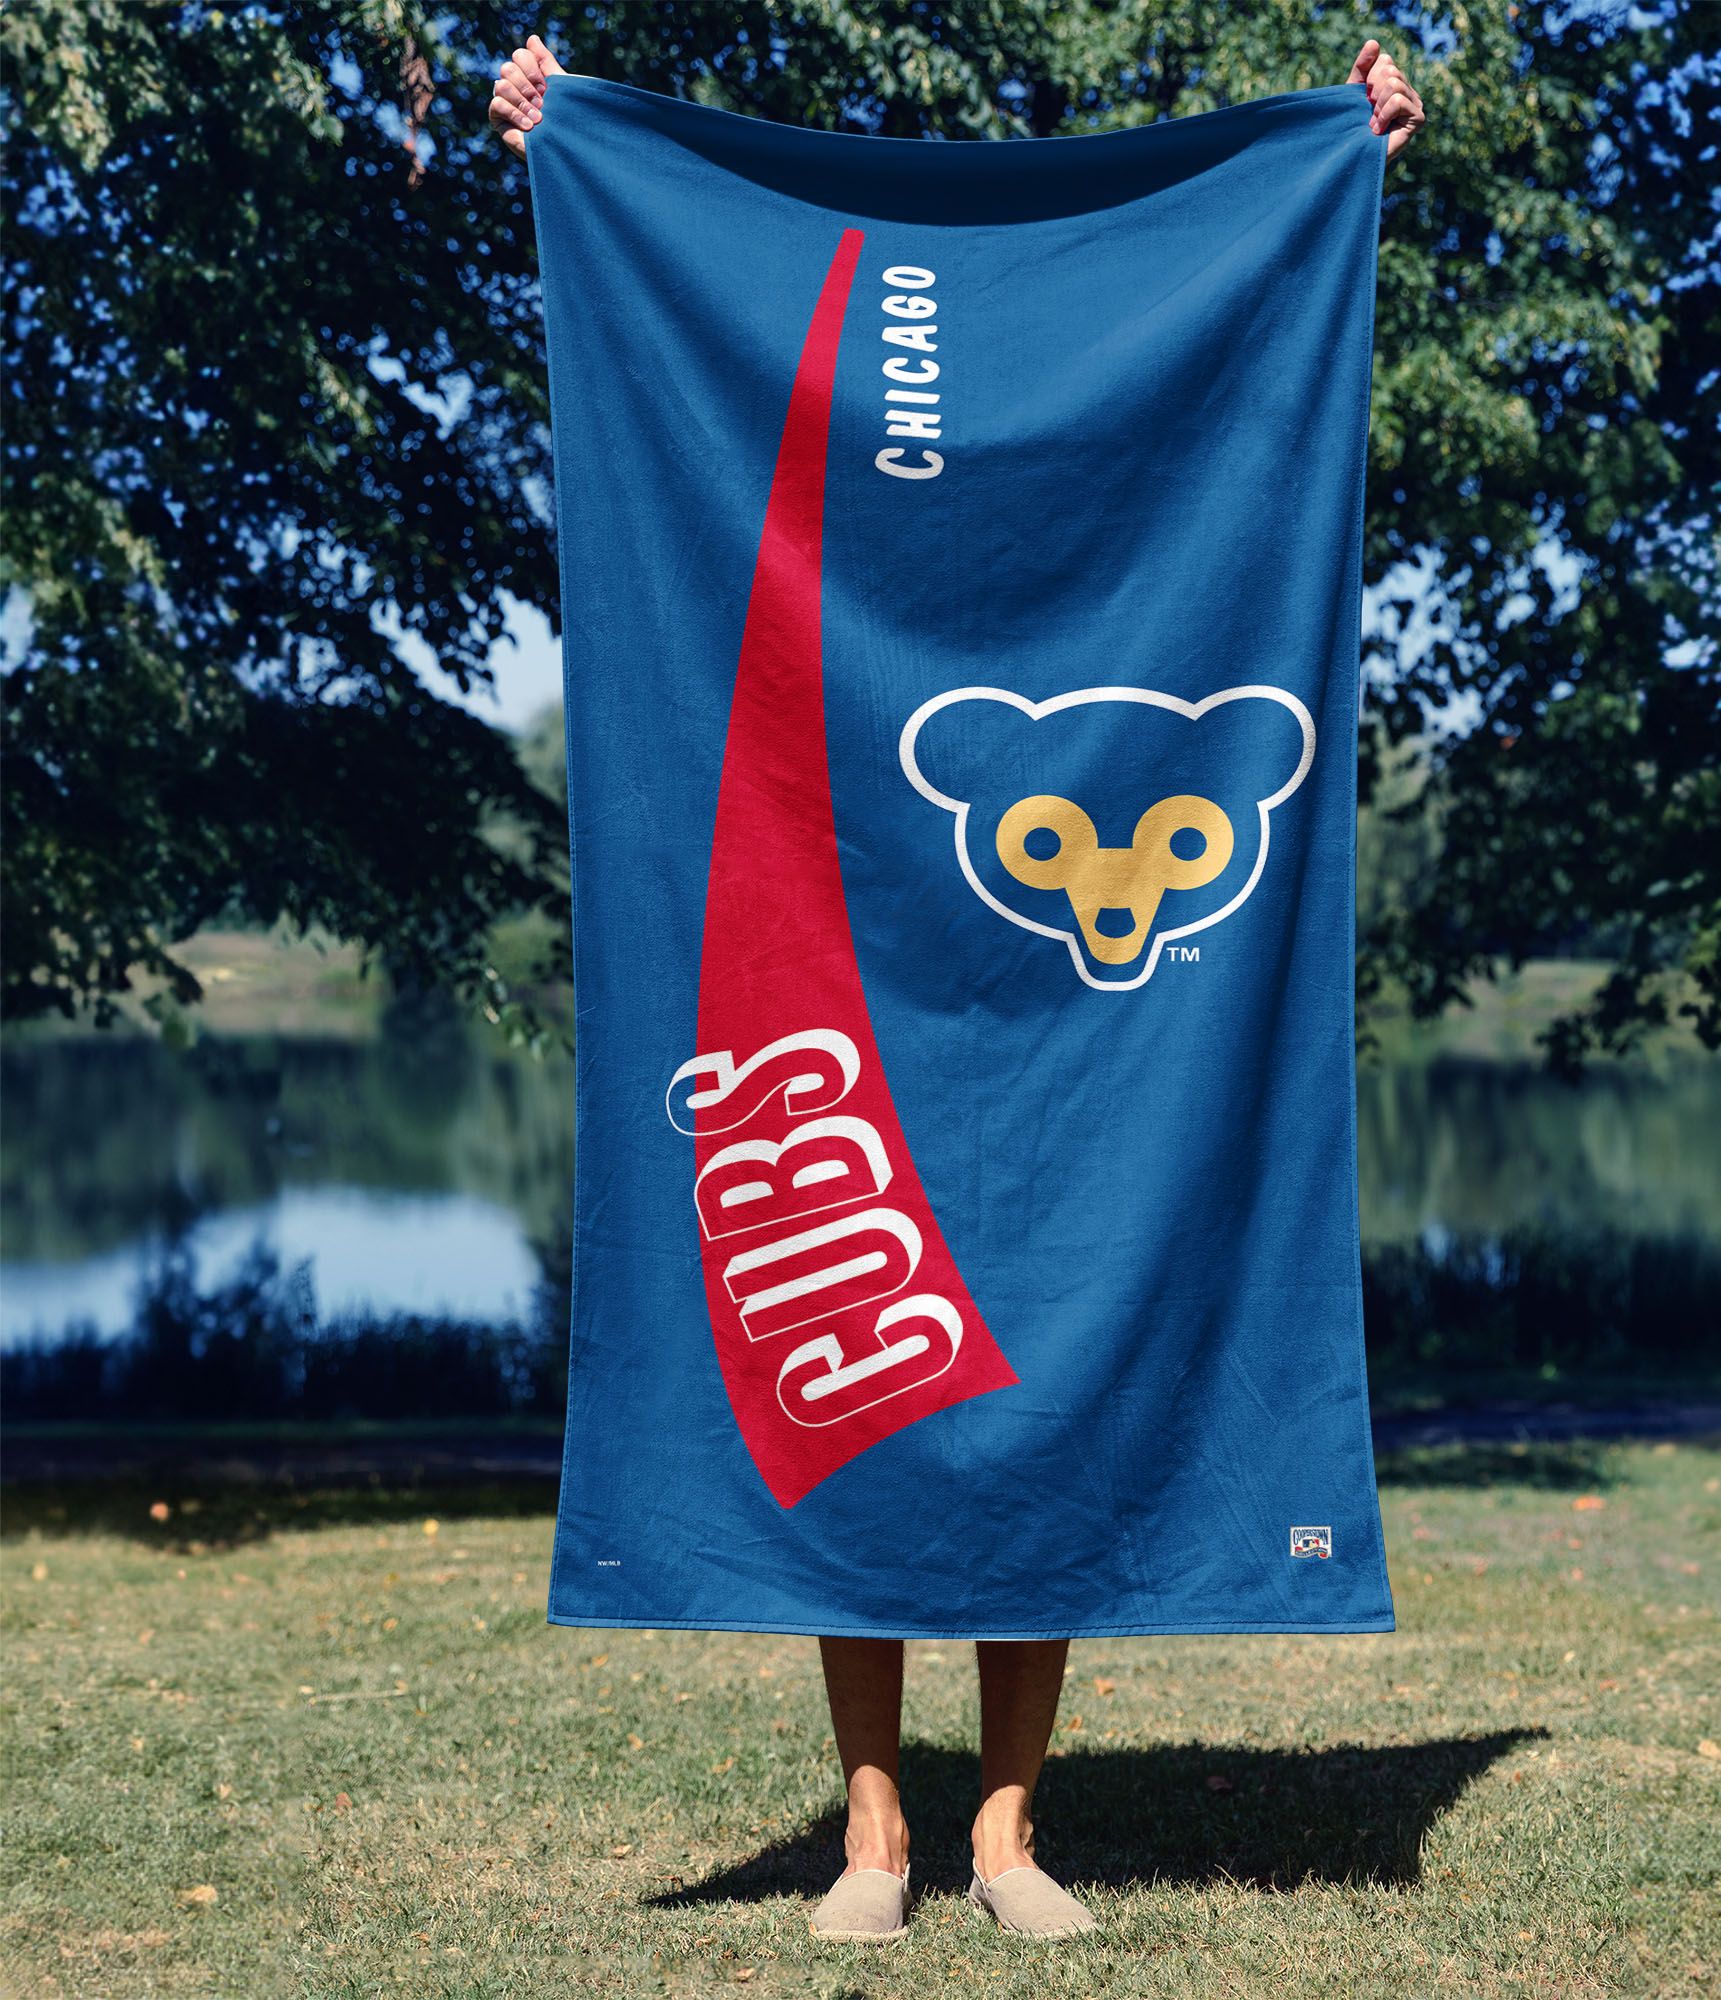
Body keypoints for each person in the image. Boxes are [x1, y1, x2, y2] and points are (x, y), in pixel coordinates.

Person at [487, 27, 1425, 1945]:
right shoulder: (768, 272)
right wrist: (565, 131)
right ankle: (873, 1836)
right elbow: (663, 265)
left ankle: (1006, 1833)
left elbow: (1243, 304)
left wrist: (1343, 149)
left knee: (1056, 1367)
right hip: (842, 937)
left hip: (1085, 1026)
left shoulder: (1133, 307)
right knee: (851, 1353)